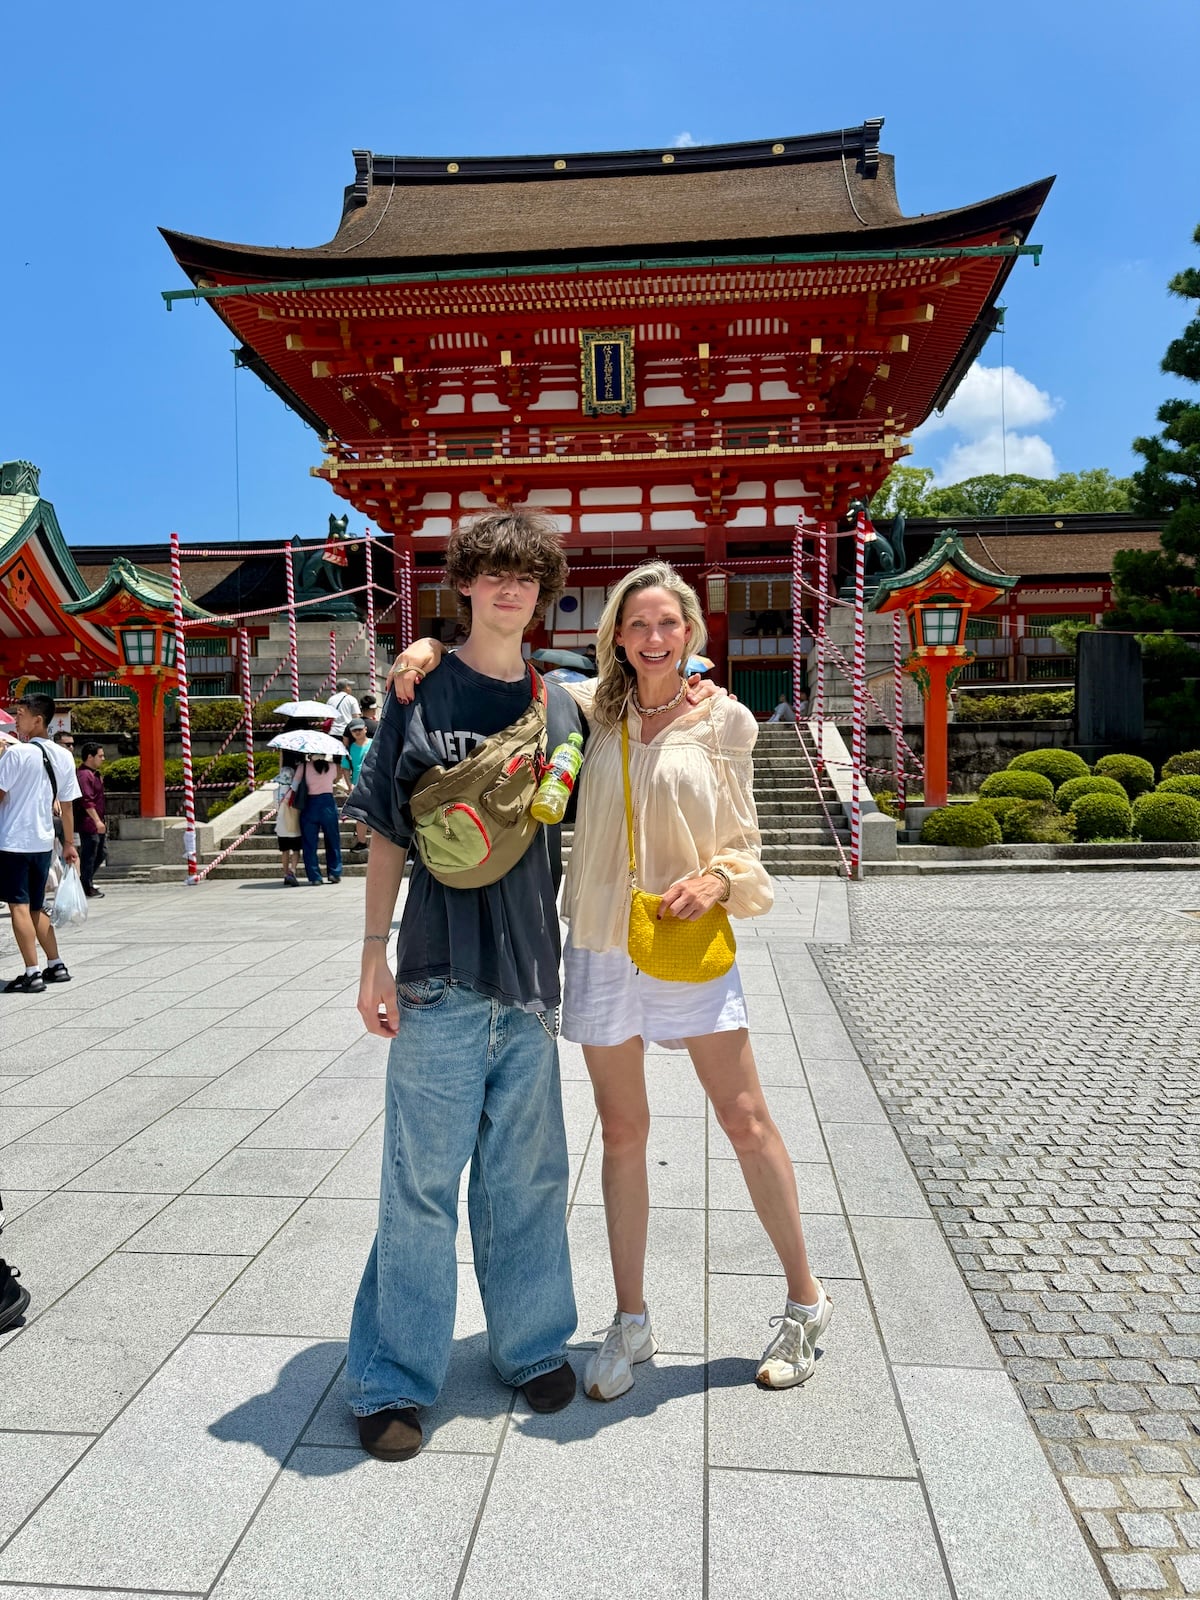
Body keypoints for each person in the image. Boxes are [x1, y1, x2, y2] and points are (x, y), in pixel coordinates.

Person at [396, 564, 831, 1400]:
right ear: (617, 637)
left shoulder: (726, 723)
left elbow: (746, 844)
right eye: (638, 626)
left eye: (668, 624)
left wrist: (718, 881)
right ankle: (630, 1319)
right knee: (622, 1130)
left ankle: (805, 1302)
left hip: (684, 935)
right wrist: (425, 647)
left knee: (744, 1118)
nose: (654, 639)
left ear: (691, 630)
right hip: (601, 938)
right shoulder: (587, 709)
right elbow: (498, 668)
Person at [347, 510, 584, 1464]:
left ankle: (529, 1345)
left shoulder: (565, 706)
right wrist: (372, 951)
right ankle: (394, 1376)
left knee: (528, 1176)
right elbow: (385, 831)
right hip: (440, 971)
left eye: (525, 577)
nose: (509, 590)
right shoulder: (418, 691)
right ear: (466, 588)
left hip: (529, 977)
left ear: (543, 593)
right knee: (420, 1182)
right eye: (491, 575)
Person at [0, 694, 82, 993]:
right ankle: (55, 963)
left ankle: (31, 972)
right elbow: (68, 805)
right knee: (37, 905)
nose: (16, 719)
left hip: (13, 840)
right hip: (43, 841)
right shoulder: (63, 755)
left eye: (20, 714)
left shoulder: (16, 754)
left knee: (18, 906)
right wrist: (70, 844)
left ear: (38, 719)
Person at [292, 752, 342, 886]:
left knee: (309, 843)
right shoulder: (332, 767)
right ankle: (334, 872)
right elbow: (334, 780)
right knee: (333, 839)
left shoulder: (303, 767)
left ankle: (315, 876)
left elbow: (294, 786)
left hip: (310, 804)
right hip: (328, 804)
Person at [76, 741, 107, 899]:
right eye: (100, 756)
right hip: (88, 822)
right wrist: (96, 820)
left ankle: (86, 881)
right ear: (90, 757)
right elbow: (87, 800)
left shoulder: (94, 774)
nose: (103, 758)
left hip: (97, 820)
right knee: (90, 853)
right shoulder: (84, 775)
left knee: (101, 853)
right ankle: (85, 884)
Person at [274, 749, 304, 886]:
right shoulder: (295, 791)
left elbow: (276, 807)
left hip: (281, 825)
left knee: (284, 851)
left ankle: (286, 873)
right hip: (294, 824)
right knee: (296, 850)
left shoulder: (277, 791)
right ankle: (293, 870)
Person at [342, 721, 373, 854]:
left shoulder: (375, 743)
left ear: (365, 729)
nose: (358, 732)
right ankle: (362, 842)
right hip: (358, 784)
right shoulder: (349, 749)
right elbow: (345, 767)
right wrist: (349, 785)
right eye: (355, 731)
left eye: (360, 729)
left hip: (375, 783)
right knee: (360, 815)